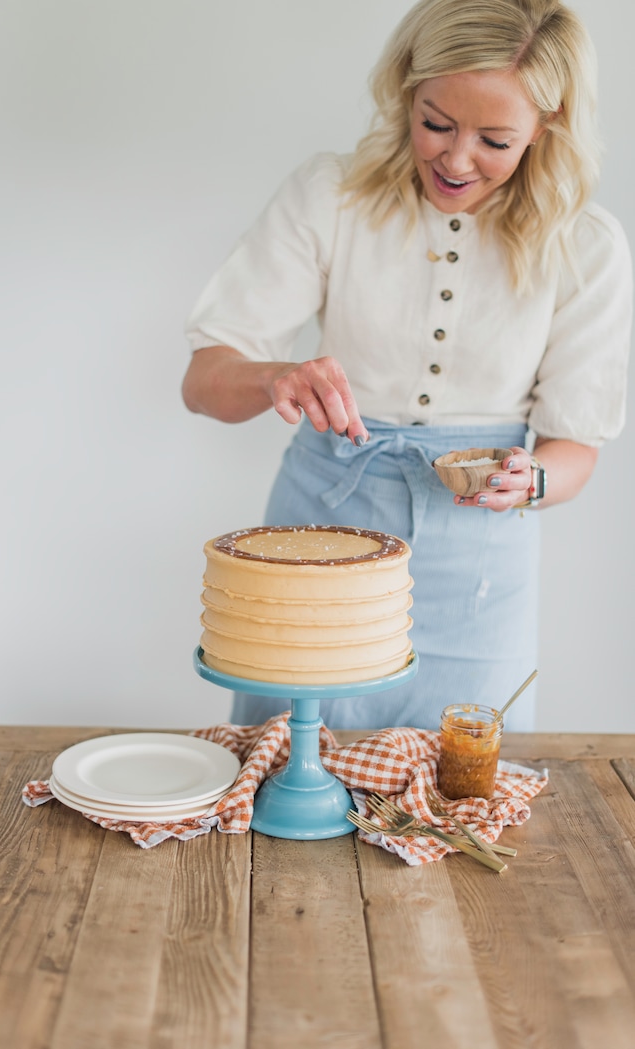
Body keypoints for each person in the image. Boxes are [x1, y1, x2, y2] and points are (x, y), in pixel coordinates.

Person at [182, 0, 632, 732]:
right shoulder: (331, 195)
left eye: (494, 138)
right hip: (318, 543)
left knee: (464, 795)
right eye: (436, 123)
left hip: (480, 565)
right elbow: (203, 382)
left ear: (545, 128)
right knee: (285, 768)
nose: (456, 160)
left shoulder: (587, 247)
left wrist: (536, 478)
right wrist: (273, 378)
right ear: (406, 92)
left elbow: (576, 448)